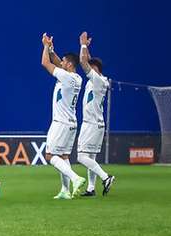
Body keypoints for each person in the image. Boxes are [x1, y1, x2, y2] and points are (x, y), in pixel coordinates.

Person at [41, 33, 86, 199]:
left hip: (60, 122)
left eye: (64, 62)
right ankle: (65, 191)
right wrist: (52, 49)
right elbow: (57, 61)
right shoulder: (77, 78)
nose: (62, 63)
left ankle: (75, 178)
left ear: (69, 64)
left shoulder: (65, 76)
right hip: (72, 123)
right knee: (64, 156)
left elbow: (45, 63)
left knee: (50, 156)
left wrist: (45, 46)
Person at [77, 32, 115, 196]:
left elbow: (83, 62)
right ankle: (91, 188)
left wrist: (83, 45)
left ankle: (106, 177)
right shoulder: (98, 79)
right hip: (95, 124)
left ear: (95, 69)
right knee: (90, 157)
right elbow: (89, 62)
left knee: (81, 157)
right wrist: (88, 48)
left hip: (92, 124)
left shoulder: (98, 81)